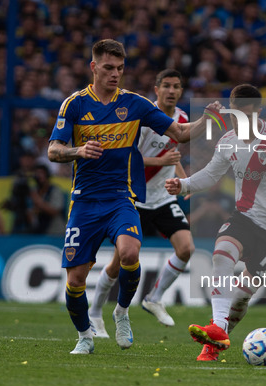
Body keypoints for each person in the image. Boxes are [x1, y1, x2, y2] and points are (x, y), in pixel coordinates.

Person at [47, 39, 215, 354]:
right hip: (84, 200)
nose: (115, 74)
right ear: (93, 67)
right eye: (108, 68)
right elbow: (53, 150)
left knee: (129, 253)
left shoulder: (135, 104)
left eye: (120, 69)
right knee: (75, 281)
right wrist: (78, 150)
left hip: (120, 197)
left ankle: (122, 312)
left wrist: (209, 119)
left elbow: (179, 133)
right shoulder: (74, 104)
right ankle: (85, 336)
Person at [165, 84, 266, 361]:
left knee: (240, 296)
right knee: (222, 254)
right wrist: (183, 184)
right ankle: (215, 333)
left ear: (258, 112)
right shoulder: (227, 141)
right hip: (245, 219)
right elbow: (212, 174)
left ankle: (219, 333)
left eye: (246, 113)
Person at [88, 69, 195, 338]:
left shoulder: (181, 118)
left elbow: (173, 155)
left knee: (186, 248)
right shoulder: (144, 117)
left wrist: (184, 182)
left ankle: (154, 298)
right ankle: (94, 312)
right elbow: (129, 156)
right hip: (135, 198)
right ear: (156, 89)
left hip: (162, 198)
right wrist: (161, 162)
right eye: (167, 86)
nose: (172, 91)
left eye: (177, 86)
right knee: (117, 264)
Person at [28, 164, 66, 235]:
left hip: (55, 232)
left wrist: (38, 201)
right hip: (38, 232)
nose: (39, 177)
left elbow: (54, 211)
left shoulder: (55, 190)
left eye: (42, 174)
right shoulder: (33, 190)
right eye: (37, 174)